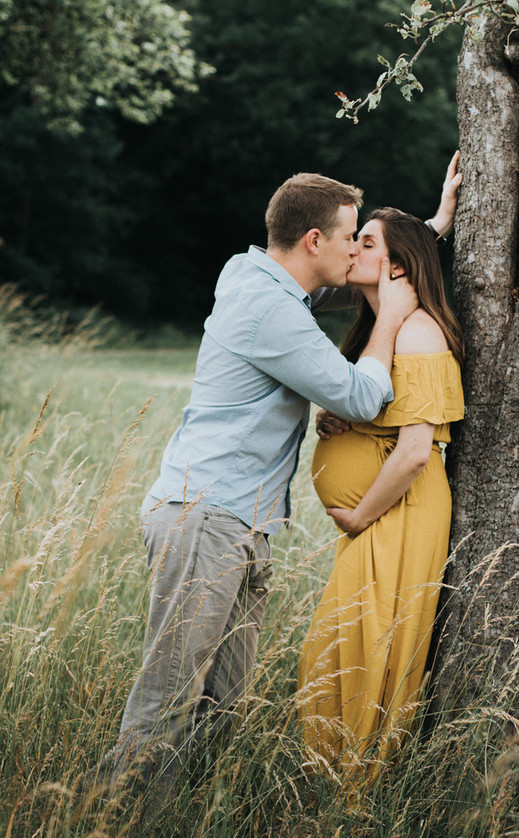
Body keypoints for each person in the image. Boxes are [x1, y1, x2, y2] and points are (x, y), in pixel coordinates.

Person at [105, 160, 461, 797]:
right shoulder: (272, 313)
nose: (355, 250)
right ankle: (116, 817)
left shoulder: (256, 276)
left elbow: (346, 286)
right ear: (315, 241)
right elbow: (361, 395)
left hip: (239, 522)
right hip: (205, 516)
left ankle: (184, 814)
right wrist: (389, 317)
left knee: (222, 700)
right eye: (351, 237)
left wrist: (428, 231)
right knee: (170, 693)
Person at [297, 206, 465, 774]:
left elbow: (415, 451)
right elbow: (383, 412)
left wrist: (358, 516)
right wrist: (343, 420)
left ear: (397, 267)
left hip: (394, 514)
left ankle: (360, 781)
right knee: (346, 645)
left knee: (365, 647)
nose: (352, 248)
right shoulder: (380, 327)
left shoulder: (416, 333)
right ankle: (335, 776)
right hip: (379, 515)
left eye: (366, 243)